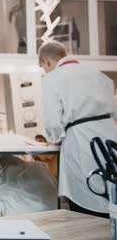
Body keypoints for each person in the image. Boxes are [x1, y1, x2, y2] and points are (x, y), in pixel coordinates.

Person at [39, 40, 117, 218]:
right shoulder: (99, 75)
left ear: (45, 61)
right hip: (110, 139)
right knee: (111, 198)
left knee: (86, 203)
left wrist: (53, 137)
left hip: (81, 142)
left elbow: (53, 124)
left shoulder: (52, 79)